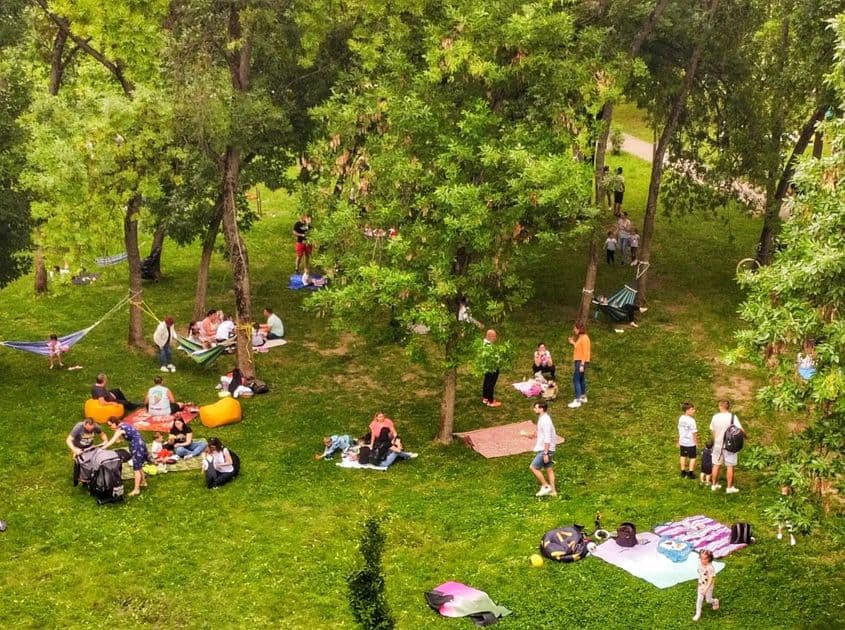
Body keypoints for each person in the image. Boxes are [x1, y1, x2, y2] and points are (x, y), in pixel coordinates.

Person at [103, 416, 149, 496]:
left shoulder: (119, 429)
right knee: (139, 465)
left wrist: (102, 448)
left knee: (136, 468)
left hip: (137, 446)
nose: (110, 427)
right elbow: (120, 439)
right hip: (140, 443)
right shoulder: (123, 425)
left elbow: (112, 441)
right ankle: (143, 482)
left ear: (114, 423)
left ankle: (136, 489)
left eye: (110, 425)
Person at [709, 400, 745, 494]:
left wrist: (715, 441)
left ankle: (714, 485)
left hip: (717, 445)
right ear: (728, 407)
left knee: (716, 465)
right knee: (730, 466)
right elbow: (740, 429)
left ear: (719, 406)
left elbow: (713, 431)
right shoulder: (732, 417)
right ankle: (729, 488)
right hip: (730, 445)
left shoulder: (715, 417)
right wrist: (746, 436)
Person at [529, 401, 561, 497]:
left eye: (536, 408)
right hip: (547, 449)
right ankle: (554, 491)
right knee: (549, 469)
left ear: (541, 409)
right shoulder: (542, 418)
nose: (534, 409)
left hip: (546, 449)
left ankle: (546, 486)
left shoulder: (545, 421)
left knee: (533, 467)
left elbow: (547, 438)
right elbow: (539, 431)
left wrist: (546, 453)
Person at [567, 321, 591, 408]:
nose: (574, 330)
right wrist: (573, 342)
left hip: (581, 361)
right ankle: (583, 397)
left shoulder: (584, 338)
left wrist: (582, 364)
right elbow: (578, 347)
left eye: (575, 328)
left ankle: (577, 400)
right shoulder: (581, 337)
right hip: (580, 361)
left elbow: (585, 352)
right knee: (581, 379)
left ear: (578, 329)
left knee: (576, 379)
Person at [692, 549, 719, 621]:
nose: (702, 560)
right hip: (701, 584)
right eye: (701, 558)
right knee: (699, 599)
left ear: (709, 559)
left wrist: (706, 588)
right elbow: (700, 572)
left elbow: (711, 579)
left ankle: (715, 601)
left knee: (708, 600)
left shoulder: (710, 568)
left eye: (704, 559)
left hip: (708, 586)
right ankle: (698, 614)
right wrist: (701, 584)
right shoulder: (700, 564)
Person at [480, 329, 503, 407]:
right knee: (490, 384)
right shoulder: (488, 346)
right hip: (492, 367)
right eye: (494, 336)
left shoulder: (485, 343)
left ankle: (485, 398)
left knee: (486, 382)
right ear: (490, 336)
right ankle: (490, 401)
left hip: (487, 367)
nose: (495, 338)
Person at [677, 402, 698, 479]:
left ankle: (683, 471)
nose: (694, 410)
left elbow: (679, 430)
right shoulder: (692, 420)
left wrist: (678, 440)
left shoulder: (681, 418)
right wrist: (696, 442)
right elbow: (694, 433)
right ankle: (690, 473)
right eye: (692, 409)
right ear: (687, 410)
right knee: (693, 457)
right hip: (690, 442)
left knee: (683, 456)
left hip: (682, 441)